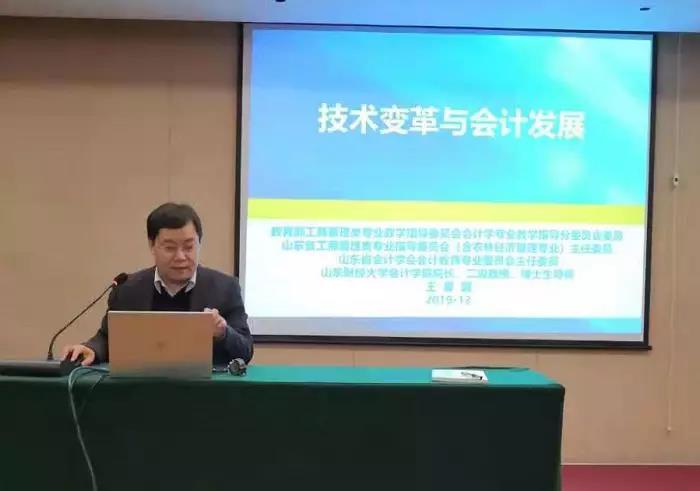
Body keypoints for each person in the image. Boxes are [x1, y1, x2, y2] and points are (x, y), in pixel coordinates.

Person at [63, 202, 253, 366]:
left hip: (204, 392)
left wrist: (223, 333)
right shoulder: (128, 289)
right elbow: (108, 338)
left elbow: (245, 351)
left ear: (199, 244)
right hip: (141, 390)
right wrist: (91, 349)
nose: (181, 256)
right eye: (170, 248)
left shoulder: (225, 288)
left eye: (189, 247)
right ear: (152, 245)